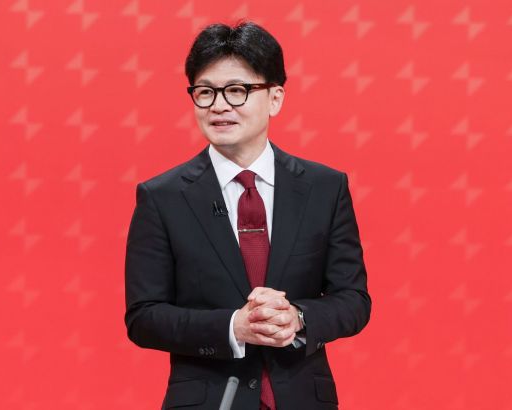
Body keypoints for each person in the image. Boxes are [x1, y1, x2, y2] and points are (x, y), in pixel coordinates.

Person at [124, 21, 371, 410]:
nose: (219, 105)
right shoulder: (162, 197)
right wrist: (233, 327)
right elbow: (144, 317)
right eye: (205, 92)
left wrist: (298, 317)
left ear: (275, 98)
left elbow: (353, 300)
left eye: (237, 90)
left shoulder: (324, 188)